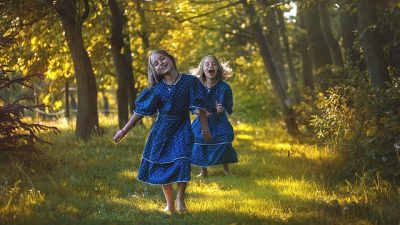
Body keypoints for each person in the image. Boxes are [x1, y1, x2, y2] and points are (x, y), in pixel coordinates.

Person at [113, 50, 211, 213]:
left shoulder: (190, 81)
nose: (160, 63)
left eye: (162, 59)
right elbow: (140, 112)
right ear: (154, 70)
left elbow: (198, 106)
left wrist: (205, 128)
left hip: (182, 126)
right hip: (162, 131)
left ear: (171, 59)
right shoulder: (157, 89)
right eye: (155, 63)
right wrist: (124, 130)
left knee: (182, 160)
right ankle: (170, 204)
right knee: (162, 164)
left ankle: (180, 198)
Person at [190, 55, 238, 177]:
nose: (210, 66)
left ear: (219, 68)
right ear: (202, 69)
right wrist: (198, 111)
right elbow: (190, 104)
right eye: (207, 64)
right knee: (199, 138)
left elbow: (228, 105)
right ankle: (203, 170)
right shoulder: (196, 86)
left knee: (224, 137)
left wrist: (222, 109)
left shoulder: (224, 87)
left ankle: (226, 168)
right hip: (202, 121)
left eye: (214, 64)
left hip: (219, 120)